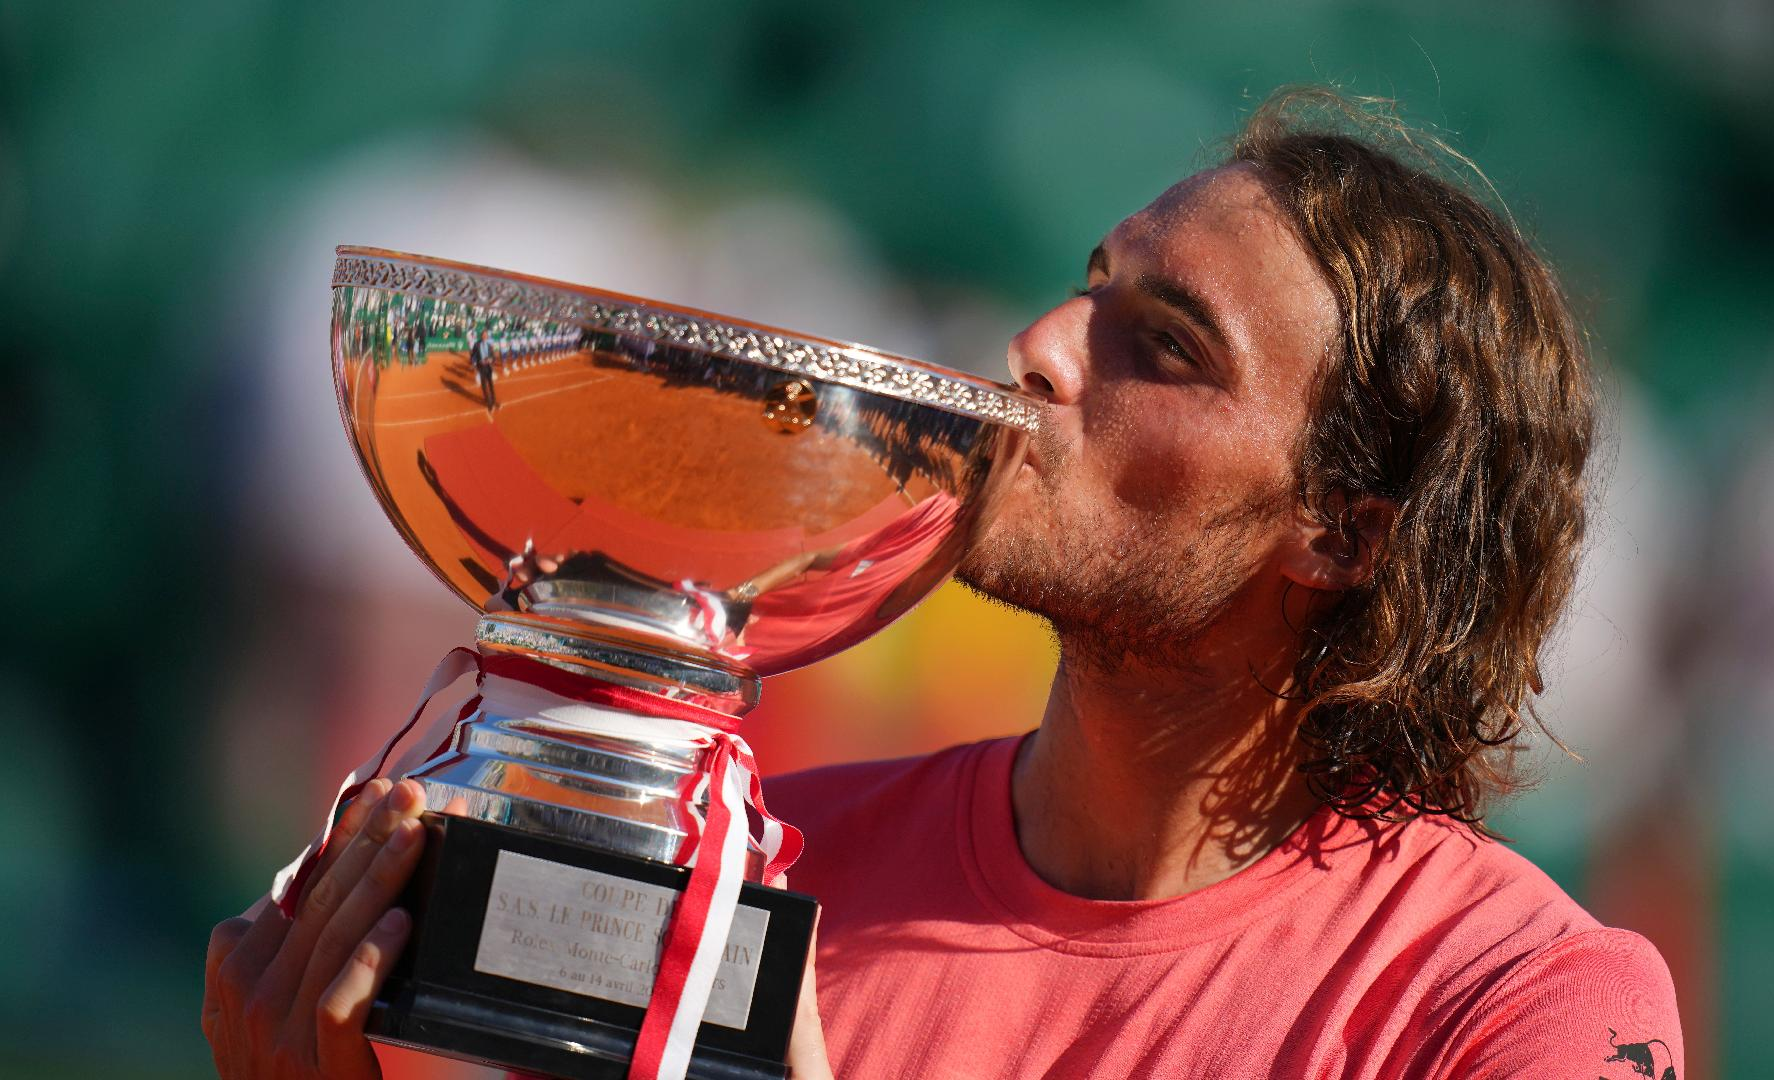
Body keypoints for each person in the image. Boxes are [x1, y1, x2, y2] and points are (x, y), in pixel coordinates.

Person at [202, 88, 1682, 1080]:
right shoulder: (749, 879)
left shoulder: (1518, 1004)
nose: (1042, 343)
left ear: (1345, 533)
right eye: (1093, 285)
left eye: (1161, 345)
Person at [470, 327, 498, 413]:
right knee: (484, 386)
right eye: (483, 335)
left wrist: (491, 360)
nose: (484, 336)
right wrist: (475, 363)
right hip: (481, 367)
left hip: (489, 367)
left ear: (487, 336)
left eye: (486, 335)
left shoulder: (490, 346)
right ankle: (489, 404)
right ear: (481, 336)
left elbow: (493, 357)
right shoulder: (476, 344)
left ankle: (494, 401)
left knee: (491, 385)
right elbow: (473, 356)